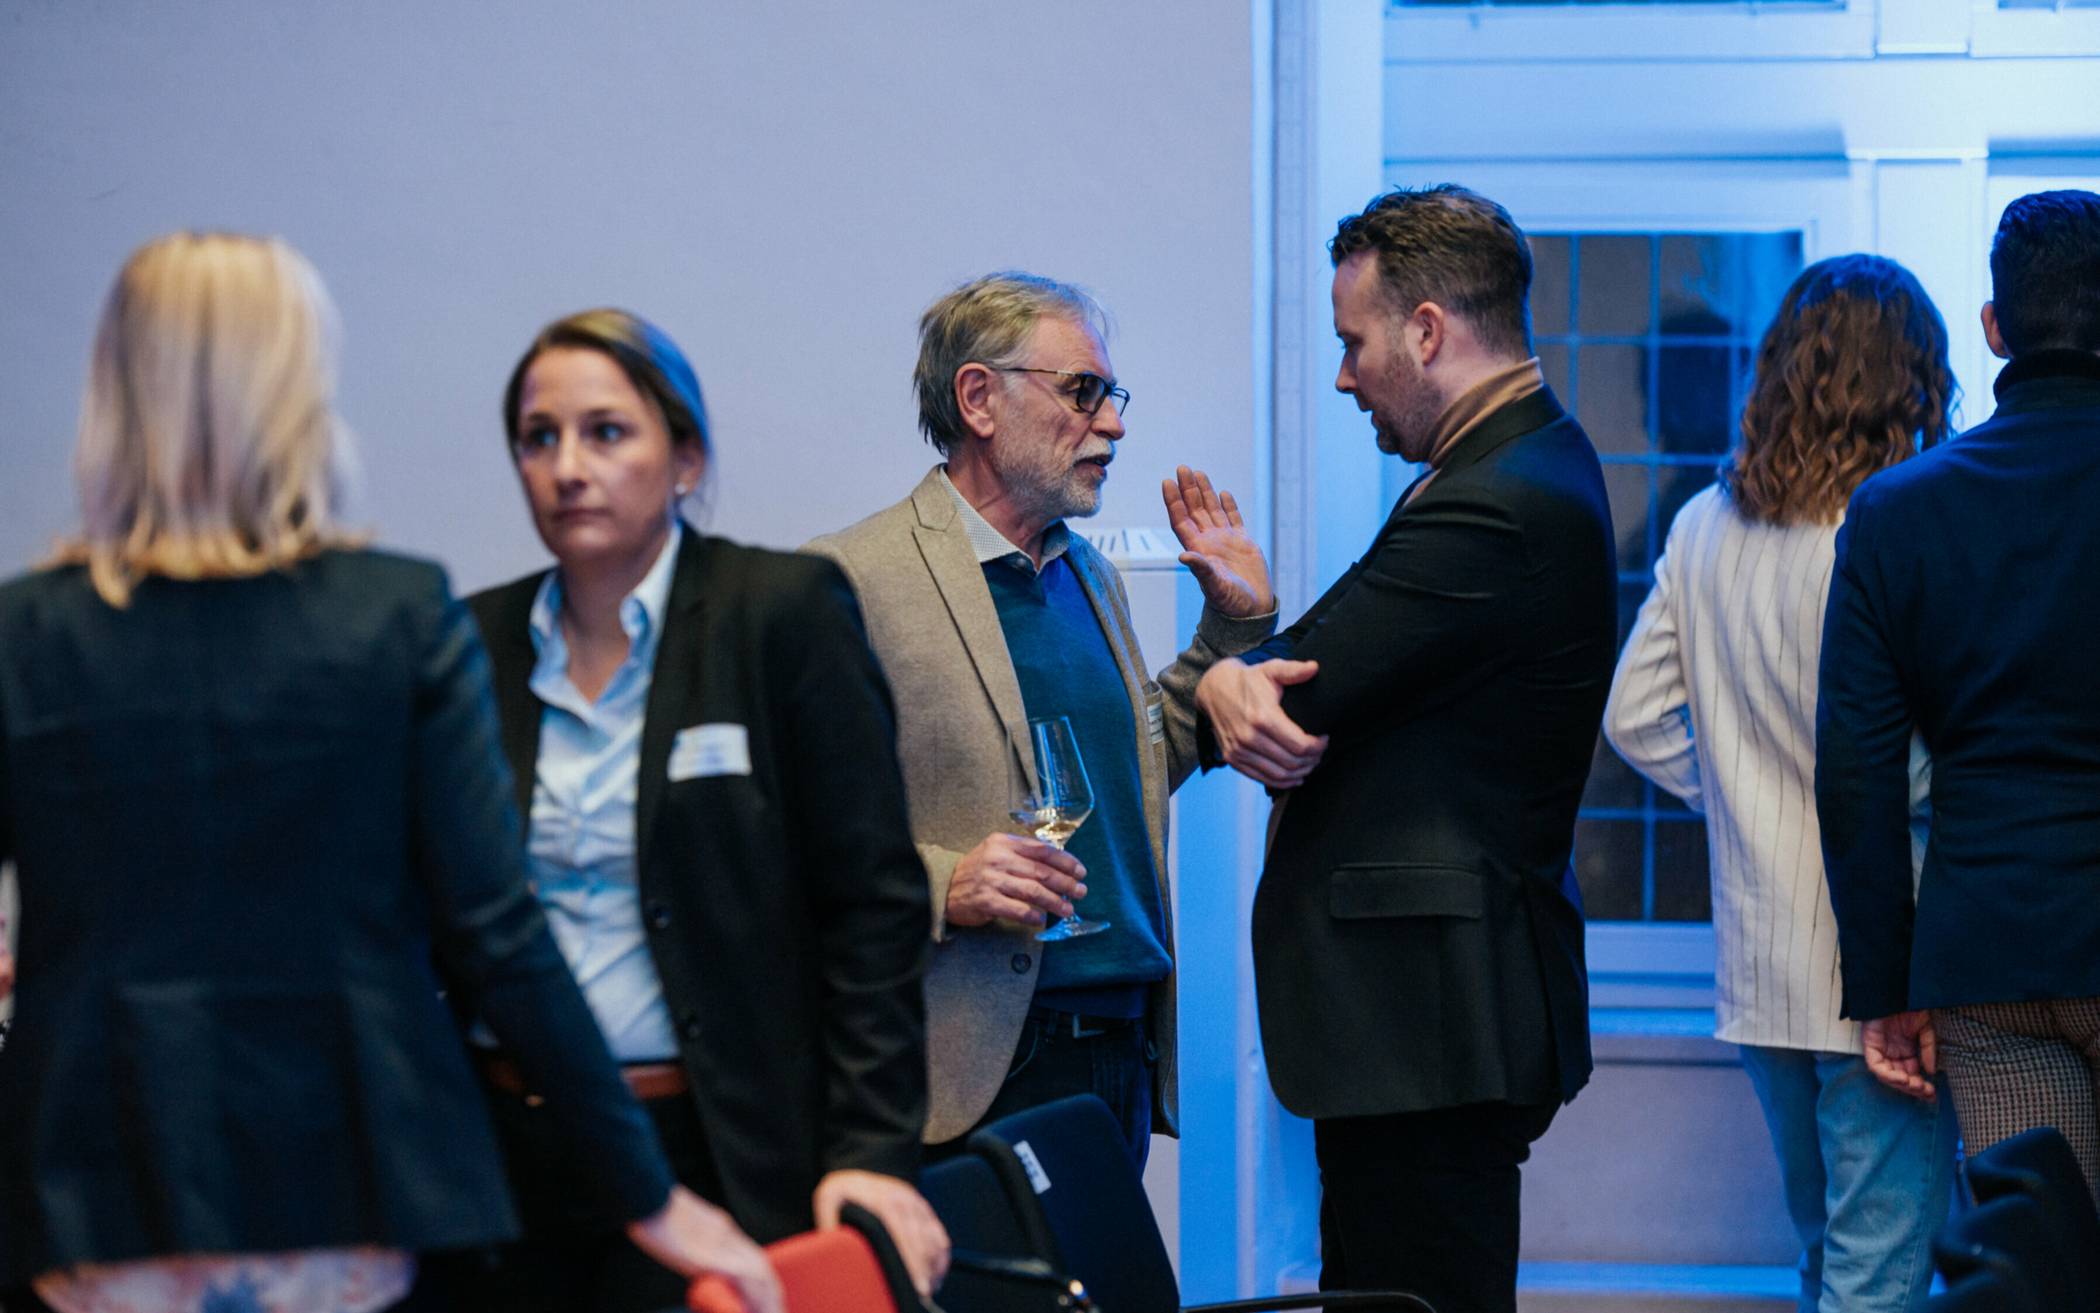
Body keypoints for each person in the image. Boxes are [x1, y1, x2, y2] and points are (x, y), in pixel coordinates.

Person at [0, 234, 778, 1313]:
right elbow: (497, 933)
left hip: (97, 1184)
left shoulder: (27, 632)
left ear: (115, 393)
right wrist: (647, 1193)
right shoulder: (394, 615)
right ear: (295, 396)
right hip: (347, 1171)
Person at [451, 308, 946, 1312]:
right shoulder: (469, 640)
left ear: (685, 458)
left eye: (606, 431)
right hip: (505, 1155)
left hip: (713, 1142)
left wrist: (871, 1148)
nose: (568, 468)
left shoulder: (779, 612)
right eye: (540, 438)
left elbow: (872, 904)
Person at [1194, 185, 1614, 1313]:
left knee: (1408, 1298)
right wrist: (1245, 655)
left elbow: (1312, 673)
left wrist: (1231, 667)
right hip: (1430, 1017)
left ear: (1427, 331)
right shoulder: (1524, 461)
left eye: (1354, 342)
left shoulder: (1500, 498)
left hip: (1428, 1023)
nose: (1345, 377)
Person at [806, 272, 1277, 1164]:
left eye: (1111, 397)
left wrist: (1232, 631)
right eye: (1082, 390)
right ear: (978, 398)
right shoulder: (847, 580)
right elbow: (784, 830)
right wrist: (944, 882)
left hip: (1118, 1047)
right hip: (964, 1067)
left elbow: (1135, 768)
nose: (1113, 424)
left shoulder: (1087, 575)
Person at [1605, 255, 1958, 1313]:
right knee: (1879, 1272)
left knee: (1825, 1254)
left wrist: (1746, 794)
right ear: (1910, 382)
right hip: (1884, 960)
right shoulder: (1900, 530)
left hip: (1760, 966)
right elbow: (1915, 765)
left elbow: (1633, 716)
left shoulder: (1703, 525)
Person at [1817, 190, 2100, 1201]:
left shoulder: (1896, 511)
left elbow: (1855, 770)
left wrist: (1885, 983)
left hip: (1985, 953)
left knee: (2038, 1257)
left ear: (1994, 327)